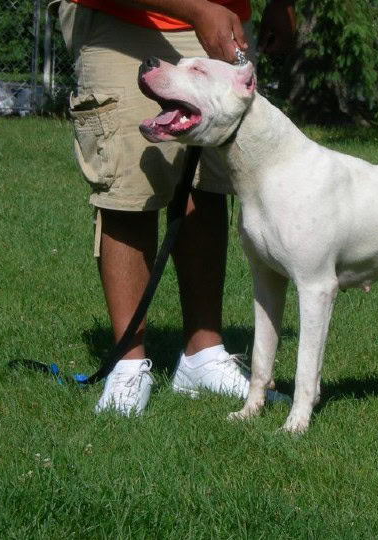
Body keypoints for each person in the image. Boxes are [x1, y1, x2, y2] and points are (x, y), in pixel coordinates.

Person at [54, 0, 295, 415]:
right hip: (126, 19)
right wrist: (198, 9)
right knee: (129, 186)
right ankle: (128, 366)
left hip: (224, 19)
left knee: (209, 184)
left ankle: (203, 354)